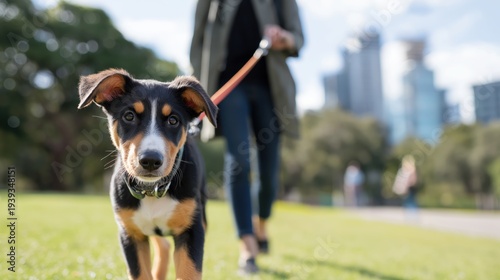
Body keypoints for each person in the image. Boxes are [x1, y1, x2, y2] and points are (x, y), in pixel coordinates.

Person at [190, 0, 304, 274]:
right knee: (239, 160)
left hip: (271, 89)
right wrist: (194, 90)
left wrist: (283, 38)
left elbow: (298, 39)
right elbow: (197, 41)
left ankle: (261, 223)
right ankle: (247, 243)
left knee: (269, 172)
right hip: (230, 86)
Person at [392, 155, 419, 220]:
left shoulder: (411, 170)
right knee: (408, 202)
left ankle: (413, 216)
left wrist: (407, 186)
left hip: (410, 189)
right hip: (407, 189)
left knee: (411, 202)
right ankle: (410, 216)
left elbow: (413, 181)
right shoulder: (405, 171)